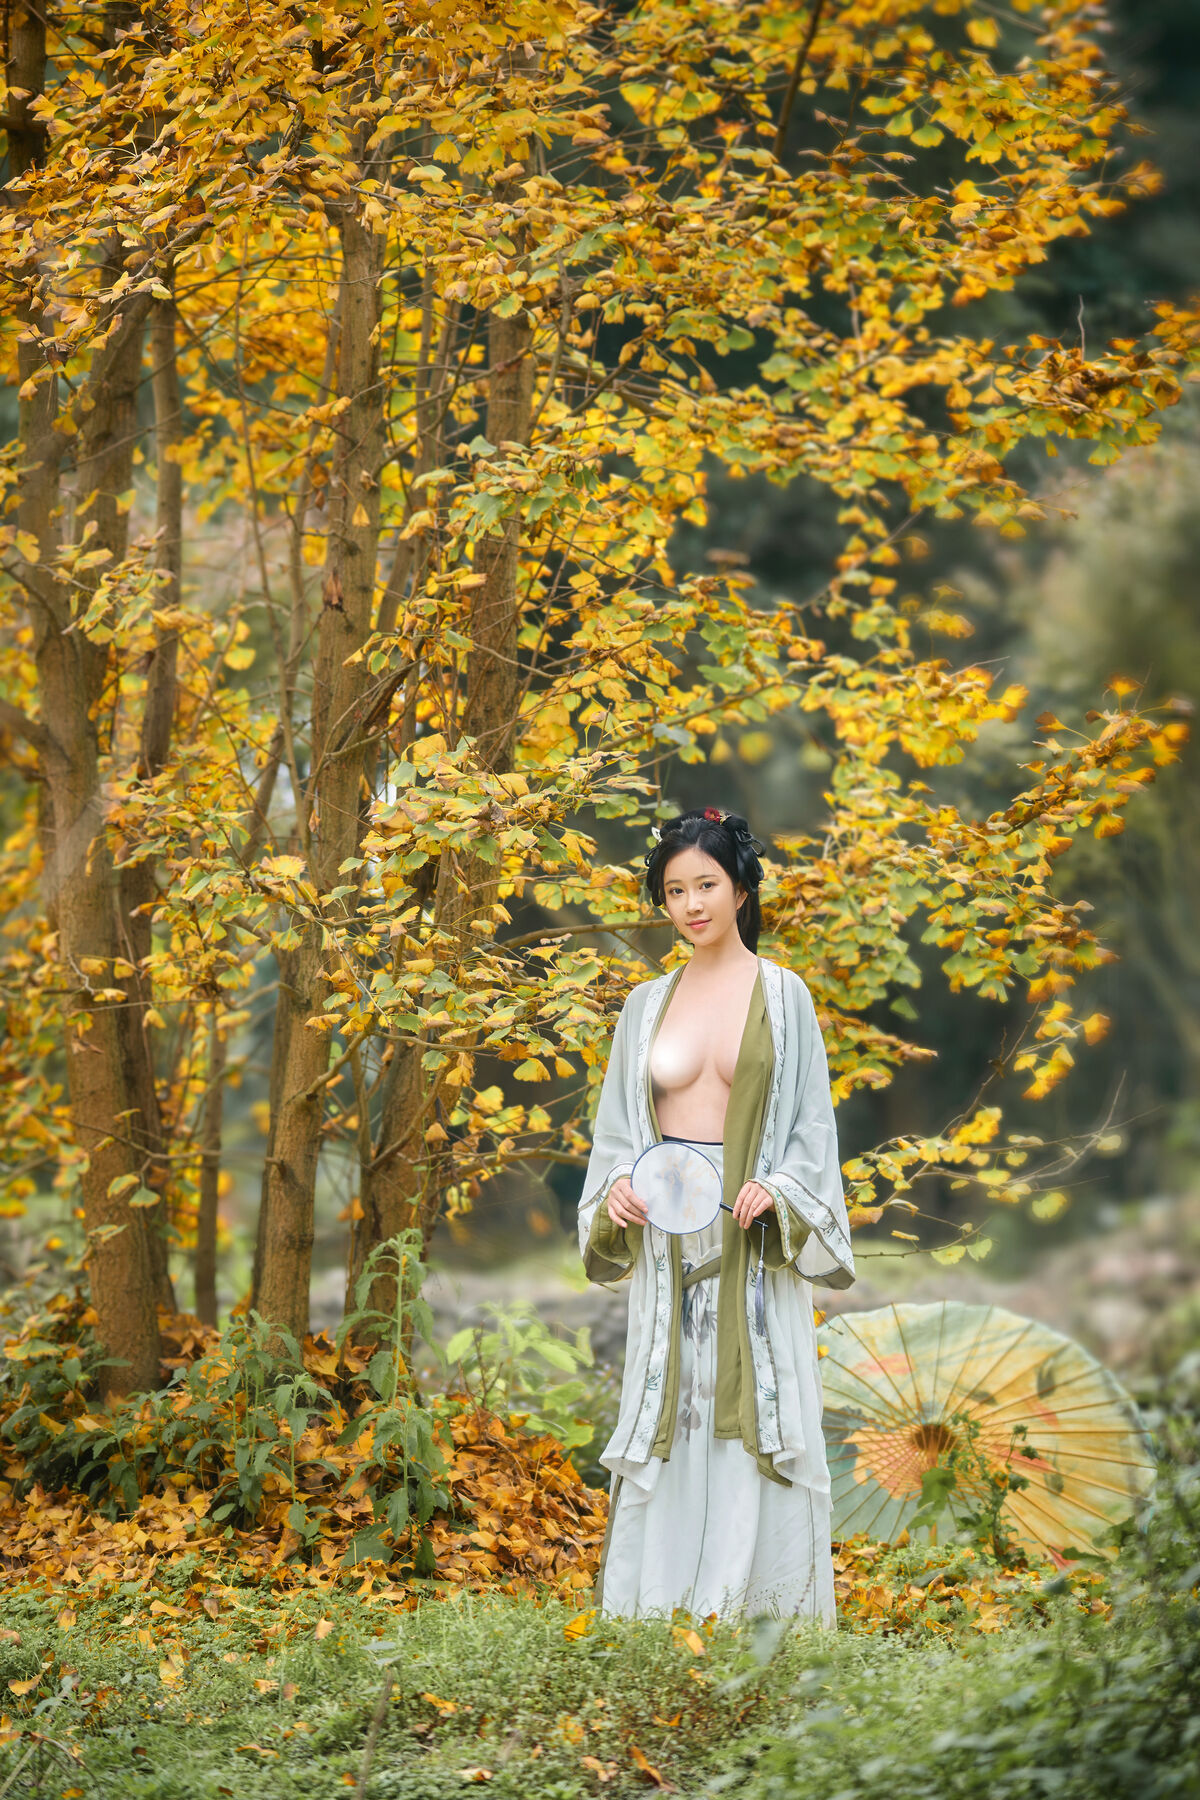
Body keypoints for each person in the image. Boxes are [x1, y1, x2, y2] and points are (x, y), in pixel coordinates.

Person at [577, 807, 855, 1621]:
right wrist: (618, 1188)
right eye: (674, 891)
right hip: (666, 1233)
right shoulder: (644, 1005)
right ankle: (657, 1604)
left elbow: (811, 1128)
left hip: (750, 1228)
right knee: (674, 1404)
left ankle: (758, 1605)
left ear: (740, 888)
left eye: (706, 885)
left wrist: (783, 1189)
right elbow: (617, 1132)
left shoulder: (785, 996)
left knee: (753, 1405)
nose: (692, 904)